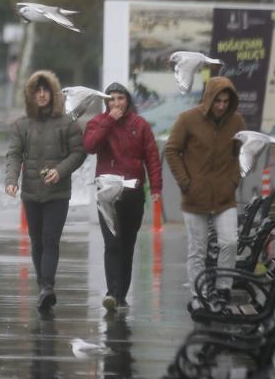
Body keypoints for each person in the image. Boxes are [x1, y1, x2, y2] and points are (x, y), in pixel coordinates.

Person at [6, 70, 85, 312]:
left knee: (50, 240)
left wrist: (60, 171)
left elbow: (79, 152)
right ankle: (43, 286)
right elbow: (14, 153)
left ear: (53, 93)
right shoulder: (21, 125)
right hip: (31, 193)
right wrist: (11, 180)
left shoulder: (67, 122)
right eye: (37, 91)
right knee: (36, 241)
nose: (41, 95)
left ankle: (47, 287)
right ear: (30, 94)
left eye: (45, 90)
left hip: (57, 193)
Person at [83, 82, 162, 313]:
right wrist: (109, 120)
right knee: (112, 243)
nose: (116, 103)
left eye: (120, 98)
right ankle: (112, 292)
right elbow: (90, 146)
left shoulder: (140, 124)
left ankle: (121, 295)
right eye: (112, 99)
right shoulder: (98, 123)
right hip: (107, 192)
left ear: (127, 100)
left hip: (133, 192)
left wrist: (156, 187)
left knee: (127, 245)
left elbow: (152, 157)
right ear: (106, 102)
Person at [164, 76, 244, 302]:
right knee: (197, 250)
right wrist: (185, 182)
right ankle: (199, 295)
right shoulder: (187, 120)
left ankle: (223, 289)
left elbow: (242, 153)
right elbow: (171, 150)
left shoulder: (237, 122)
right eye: (217, 100)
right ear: (209, 98)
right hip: (194, 198)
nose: (221, 106)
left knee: (229, 241)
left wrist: (233, 181)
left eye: (226, 101)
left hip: (224, 197)